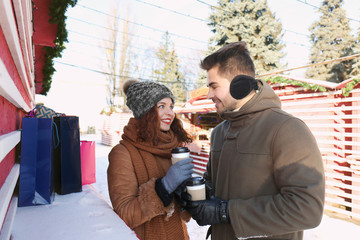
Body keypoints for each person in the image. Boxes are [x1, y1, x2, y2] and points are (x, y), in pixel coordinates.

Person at [179, 41, 325, 240]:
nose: (209, 95)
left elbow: (306, 208)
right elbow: (214, 182)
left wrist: (226, 212)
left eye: (214, 86)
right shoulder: (220, 132)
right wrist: (201, 191)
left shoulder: (286, 129)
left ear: (240, 85)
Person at [107, 79, 194, 240]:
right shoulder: (122, 153)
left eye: (171, 106)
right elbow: (123, 214)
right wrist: (163, 188)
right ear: (145, 112)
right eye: (161, 106)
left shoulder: (173, 148)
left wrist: (188, 196)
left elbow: (182, 214)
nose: (170, 113)